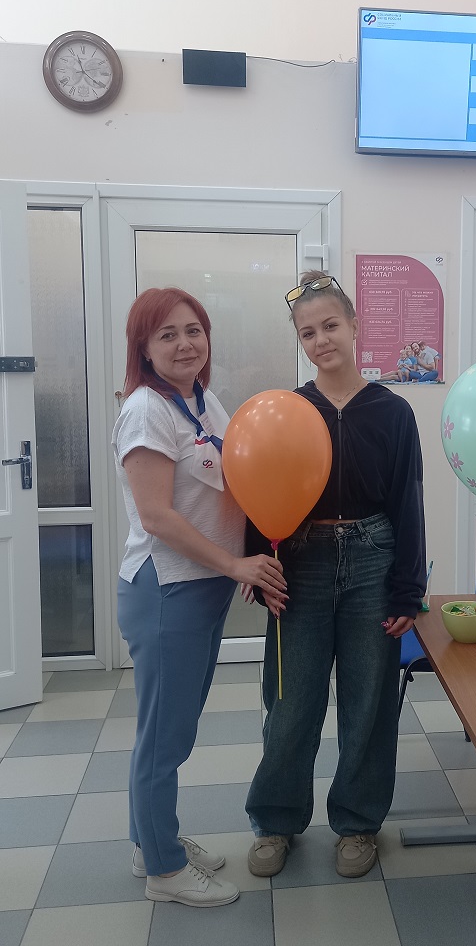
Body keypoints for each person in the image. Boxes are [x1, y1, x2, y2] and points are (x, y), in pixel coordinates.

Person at [245, 271, 426, 879]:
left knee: (368, 699)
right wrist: (258, 563)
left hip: (373, 557)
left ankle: (357, 821)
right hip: (301, 562)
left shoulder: (393, 412)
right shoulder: (290, 410)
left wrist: (408, 591)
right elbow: (259, 485)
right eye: (307, 333)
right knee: (290, 699)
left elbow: (407, 502)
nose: (320, 340)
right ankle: (276, 819)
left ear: (354, 326)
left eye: (330, 326)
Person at [113, 286, 287, 908]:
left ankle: (150, 842)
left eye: (194, 330)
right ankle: (163, 871)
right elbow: (158, 516)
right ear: (144, 348)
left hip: (202, 587)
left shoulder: (201, 400)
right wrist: (235, 562)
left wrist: (242, 557)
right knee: (164, 740)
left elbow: (230, 486)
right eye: (167, 335)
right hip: (167, 590)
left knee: (171, 731)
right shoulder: (147, 410)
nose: (185, 344)